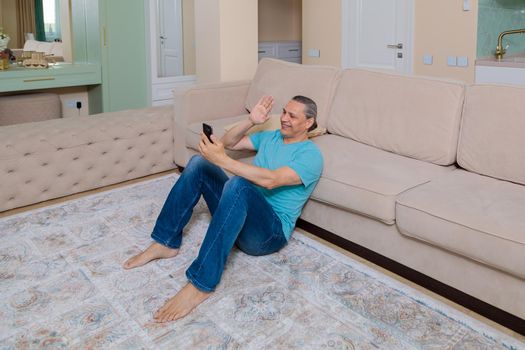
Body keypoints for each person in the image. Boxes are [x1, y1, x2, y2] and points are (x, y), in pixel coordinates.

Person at [123, 95, 323, 322]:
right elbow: (229, 143)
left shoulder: (310, 155)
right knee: (200, 163)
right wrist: (250, 120)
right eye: (284, 112)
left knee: (238, 184)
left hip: (269, 233)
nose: (284, 119)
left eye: (292, 116)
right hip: (240, 213)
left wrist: (224, 161)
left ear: (308, 122)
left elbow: (272, 180)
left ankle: (201, 283)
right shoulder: (272, 137)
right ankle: (165, 242)